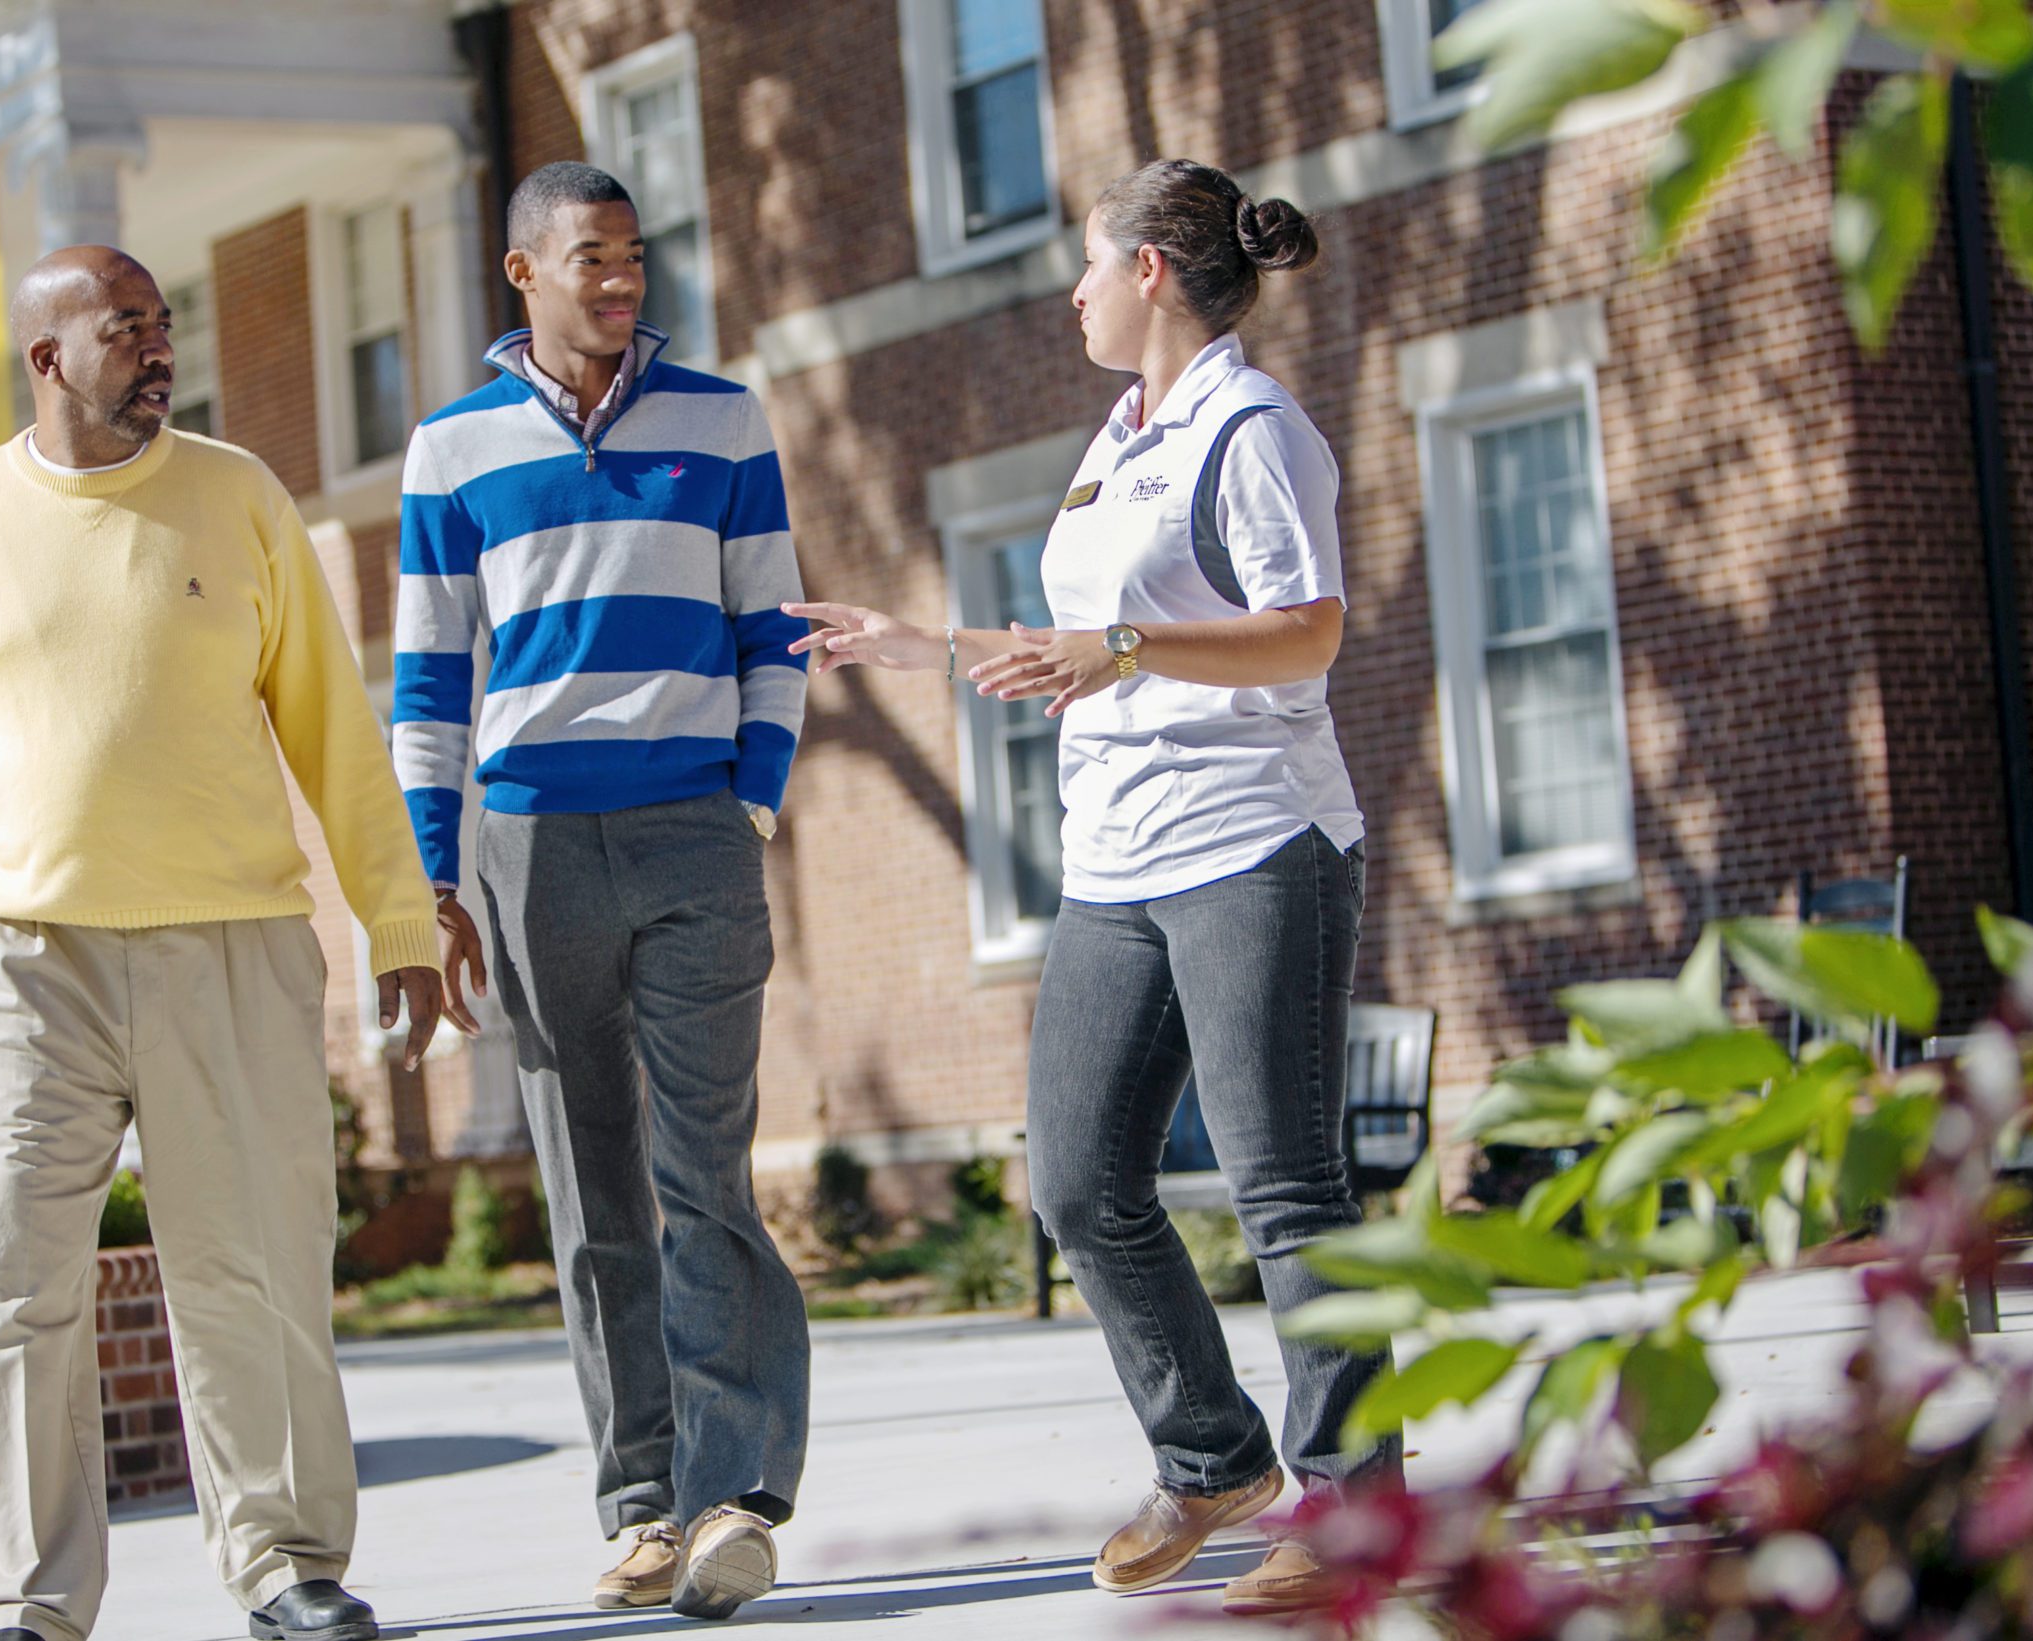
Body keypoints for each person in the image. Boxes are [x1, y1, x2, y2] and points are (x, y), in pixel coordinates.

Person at [786, 159, 1397, 1616]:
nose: (1067, 289)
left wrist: (1121, 652)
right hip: (1115, 858)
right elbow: (1099, 639)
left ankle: (1357, 1504)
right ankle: (1215, 1458)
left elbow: (1306, 631)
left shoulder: (1253, 428)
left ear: (1153, 274)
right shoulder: (1122, 435)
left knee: (1288, 1188)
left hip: (1253, 840)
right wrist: (918, 639)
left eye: (1087, 262)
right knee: (1075, 1176)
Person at [0, 245, 449, 1641]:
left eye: (164, 326)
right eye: (127, 330)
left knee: (258, 1264)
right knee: (13, 1271)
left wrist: (395, 914)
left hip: (230, 936)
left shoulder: (237, 497)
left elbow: (334, 727)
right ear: (49, 359)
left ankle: (288, 1561)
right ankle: (27, 1594)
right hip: (22, 956)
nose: (160, 350)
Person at [388, 161, 811, 1622]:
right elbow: (430, 678)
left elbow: (775, 625)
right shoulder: (451, 453)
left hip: (694, 828)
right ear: (524, 274)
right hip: (531, 845)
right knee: (593, 1185)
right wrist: (433, 881)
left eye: (634, 255)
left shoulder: (722, 417)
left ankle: (732, 1498)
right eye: (592, 258)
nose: (623, 279)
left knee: (707, 1173)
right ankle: (640, 1502)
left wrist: (747, 801)